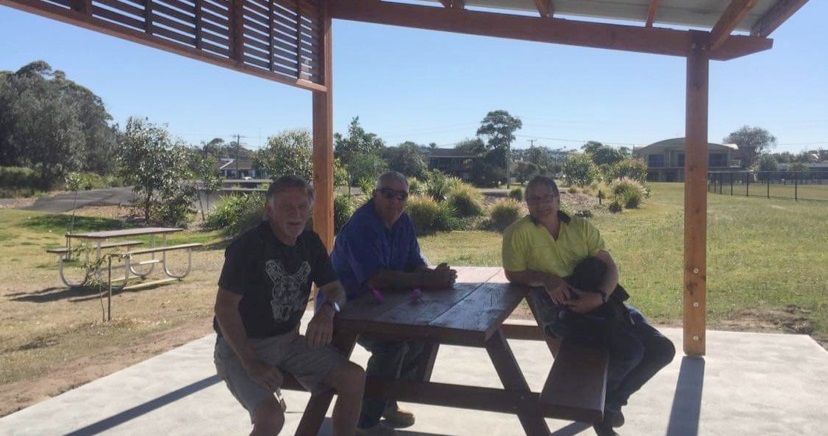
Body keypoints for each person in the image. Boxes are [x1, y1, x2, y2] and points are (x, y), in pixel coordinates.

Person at [501, 175, 675, 436]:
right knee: (631, 352)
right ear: (527, 203)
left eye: (547, 197)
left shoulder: (580, 227)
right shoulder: (517, 233)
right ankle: (599, 412)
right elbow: (513, 274)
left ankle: (609, 403)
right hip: (563, 313)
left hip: (601, 301)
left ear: (558, 199)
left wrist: (600, 297)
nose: (541, 203)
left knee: (663, 349)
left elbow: (610, 267)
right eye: (534, 198)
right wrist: (547, 278)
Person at [213, 175, 365, 436]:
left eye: (302, 207)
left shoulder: (310, 243)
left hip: (288, 341)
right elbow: (225, 308)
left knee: (354, 377)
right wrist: (251, 363)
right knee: (271, 418)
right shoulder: (248, 247)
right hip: (240, 346)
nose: (296, 214)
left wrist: (328, 311)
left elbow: (335, 289)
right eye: (286, 207)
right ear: (269, 209)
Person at [326, 171, 457, 436]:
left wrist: (429, 274)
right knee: (393, 346)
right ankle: (366, 422)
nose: (395, 200)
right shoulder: (362, 226)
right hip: (344, 308)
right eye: (388, 193)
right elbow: (376, 279)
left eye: (402, 195)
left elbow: (412, 260)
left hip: (382, 303)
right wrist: (430, 281)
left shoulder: (403, 222)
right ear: (375, 194)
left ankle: (385, 399)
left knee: (425, 335)